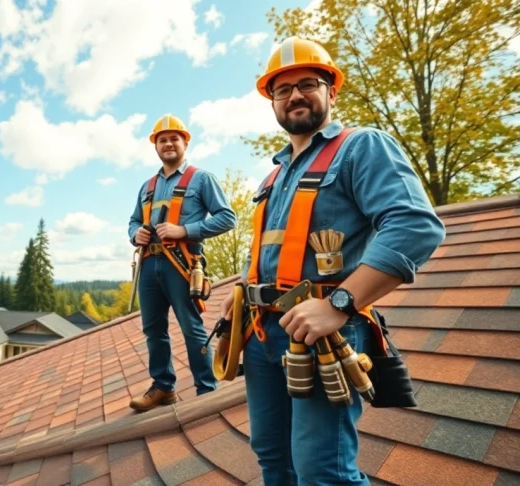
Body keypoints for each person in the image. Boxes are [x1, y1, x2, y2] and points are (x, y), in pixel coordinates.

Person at [219, 37, 445, 484]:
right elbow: (278, 249)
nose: (295, 95)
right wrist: (244, 289)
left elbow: (415, 226)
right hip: (264, 333)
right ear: (272, 101)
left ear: (331, 91)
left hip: (323, 335)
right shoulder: (275, 175)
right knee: (272, 454)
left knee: (323, 470)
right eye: (282, 89)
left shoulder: (361, 147)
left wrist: (338, 304)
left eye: (308, 83)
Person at [127, 113, 237, 412]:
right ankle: (163, 387)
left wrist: (185, 230)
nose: (168, 144)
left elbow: (228, 217)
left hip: (182, 265)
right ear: (156, 147)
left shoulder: (201, 179)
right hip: (150, 265)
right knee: (153, 328)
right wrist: (135, 233)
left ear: (185, 142)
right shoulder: (147, 186)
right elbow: (134, 220)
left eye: (174, 138)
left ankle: (207, 391)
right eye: (162, 140)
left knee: (191, 326)